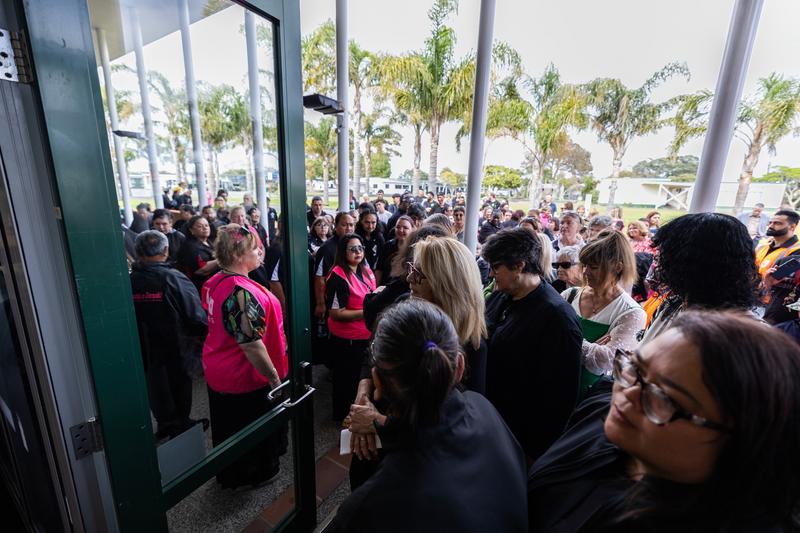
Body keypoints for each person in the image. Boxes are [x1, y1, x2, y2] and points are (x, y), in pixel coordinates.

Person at [528, 310, 800, 532]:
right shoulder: (596, 420)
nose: (629, 394)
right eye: (635, 369)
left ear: (744, 441)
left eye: (666, 398)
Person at [331, 300, 527, 533]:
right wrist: (379, 424)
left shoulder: (369, 507)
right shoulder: (484, 409)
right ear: (460, 367)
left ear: (378, 383)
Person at [483, 228, 583, 462]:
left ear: (519, 265)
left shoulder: (557, 318)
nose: (491, 274)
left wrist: (531, 455)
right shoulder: (501, 296)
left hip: (521, 440)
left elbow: (559, 400)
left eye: (496, 267)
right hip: (493, 423)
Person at [201, 224, 288, 489]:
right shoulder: (240, 293)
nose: (260, 252)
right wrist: (274, 379)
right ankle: (252, 476)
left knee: (228, 428)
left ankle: (230, 474)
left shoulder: (216, 280)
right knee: (248, 432)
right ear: (239, 255)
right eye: (254, 249)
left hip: (220, 369)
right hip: (244, 377)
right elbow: (251, 345)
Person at [130, 231, 208, 441]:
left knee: (155, 387)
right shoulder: (173, 277)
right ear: (165, 251)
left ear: (137, 252)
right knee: (179, 388)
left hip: (145, 350)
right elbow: (196, 316)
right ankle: (180, 426)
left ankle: (166, 424)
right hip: (178, 349)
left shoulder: (130, 280)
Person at [640, 213, 758, 345]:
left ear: (691, 261)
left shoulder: (744, 336)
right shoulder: (675, 303)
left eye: (666, 254)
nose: (658, 261)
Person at [562, 230, 645, 396]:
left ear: (618, 267)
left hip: (588, 397)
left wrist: (567, 339)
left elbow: (608, 360)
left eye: (593, 267)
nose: (585, 272)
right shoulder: (569, 295)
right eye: (584, 265)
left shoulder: (631, 313)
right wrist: (592, 348)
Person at [409, 237, 488, 393]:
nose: (409, 278)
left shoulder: (473, 348)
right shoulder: (412, 315)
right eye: (411, 269)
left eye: (418, 273)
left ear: (445, 284)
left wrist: (383, 419)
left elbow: (461, 414)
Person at [326, 233, 376, 421]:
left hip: (365, 337)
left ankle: (358, 415)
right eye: (352, 249)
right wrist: (368, 310)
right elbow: (336, 313)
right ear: (343, 252)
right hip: (347, 341)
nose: (358, 252)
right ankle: (342, 417)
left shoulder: (365, 269)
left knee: (360, 380)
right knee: (346, 381)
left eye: (360, 248)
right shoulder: (337, 277)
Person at [757, 209, 800, 324]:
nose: (771, 226)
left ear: (792, 227)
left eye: (777, 223)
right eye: (770, 222)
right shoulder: (762, 247)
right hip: (753, 300)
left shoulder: (797, 251)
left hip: (773, 308)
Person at [314, 212, 355, 319]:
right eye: (344, 225)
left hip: (352, 297)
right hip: (333, 300)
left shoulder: (355, 244)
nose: (348, 228)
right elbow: (319, 278)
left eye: (351, 225)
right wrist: (321, 303)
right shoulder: (327, 248)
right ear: (335, 226)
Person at [177, 216, 219, 294]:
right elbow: (201, 270)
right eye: (200, 226)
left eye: (206, 225)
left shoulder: (209, 242)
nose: (205, 228)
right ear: (191, 230)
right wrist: (223, 259)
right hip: (198, 288)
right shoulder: (190, 246)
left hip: (211, 285)